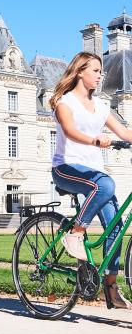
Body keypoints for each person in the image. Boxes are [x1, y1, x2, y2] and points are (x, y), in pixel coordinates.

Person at [50, 51, 132, 309]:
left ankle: (109, 289)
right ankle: (76, 233)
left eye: (100, 71)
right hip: (66, 168)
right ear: (80, 72)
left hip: (94, 175)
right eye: (95, 70)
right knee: (106, 184)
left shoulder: (101, 106)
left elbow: (124, 132)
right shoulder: (65, 102)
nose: (100, 75)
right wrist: (95, 139)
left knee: (116, 229)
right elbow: (70, 131)